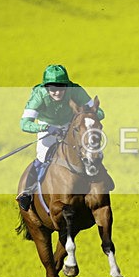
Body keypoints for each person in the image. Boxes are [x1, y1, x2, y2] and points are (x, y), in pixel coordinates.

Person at [16, 64, 110, 210]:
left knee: (89, 152)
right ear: (46, 87)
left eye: (61, 87)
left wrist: (84, 118)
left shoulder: (76, 91)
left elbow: (100, 113)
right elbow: (24, 123)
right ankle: (27, 192)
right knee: (42, 157)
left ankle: (103, 179)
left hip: (72, 125)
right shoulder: (38, 95)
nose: (57, 92)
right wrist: (45, 128)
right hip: (47, 126)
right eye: (52, 88)